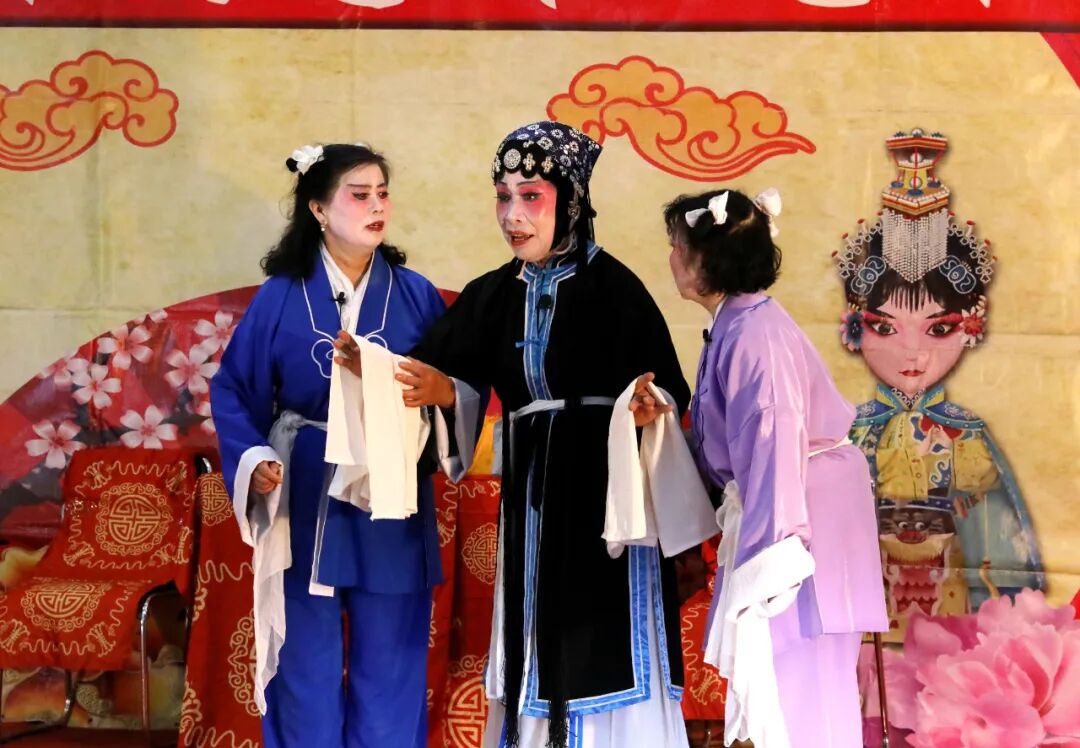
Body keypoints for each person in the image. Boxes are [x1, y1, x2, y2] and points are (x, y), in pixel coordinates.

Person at [399, 121, 692, 748]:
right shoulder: (491, 296)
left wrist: (651, 408)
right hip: (531, 501)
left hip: (606, 498)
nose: (513, 215)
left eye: (531, 196)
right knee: (533, 633)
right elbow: (442, 378)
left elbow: (671, 390)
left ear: (572, 200)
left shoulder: (617, 289)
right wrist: (437, 390)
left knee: (601, 635)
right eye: (503, 196)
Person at [211, 142, 446, 748]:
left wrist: (436, 392)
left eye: (383, 194)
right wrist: (255, 458)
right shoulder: (280, 296)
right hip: (305, 486)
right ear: (318, 208)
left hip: (390, 493)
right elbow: (234, 389)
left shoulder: (416, 294)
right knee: (304, 663)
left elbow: (451, 386)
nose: (377, 207)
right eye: (359, 195)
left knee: (391, 662)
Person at [661, 188, 888, 747]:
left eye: (677, 247)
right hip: (793, 502)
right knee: (785, 699)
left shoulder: (754, 335)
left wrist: (768, 564)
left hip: (800, 515)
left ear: (706, 260)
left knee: (801, 698)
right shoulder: (739, 325)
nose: (671, 258)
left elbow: (774, 439)